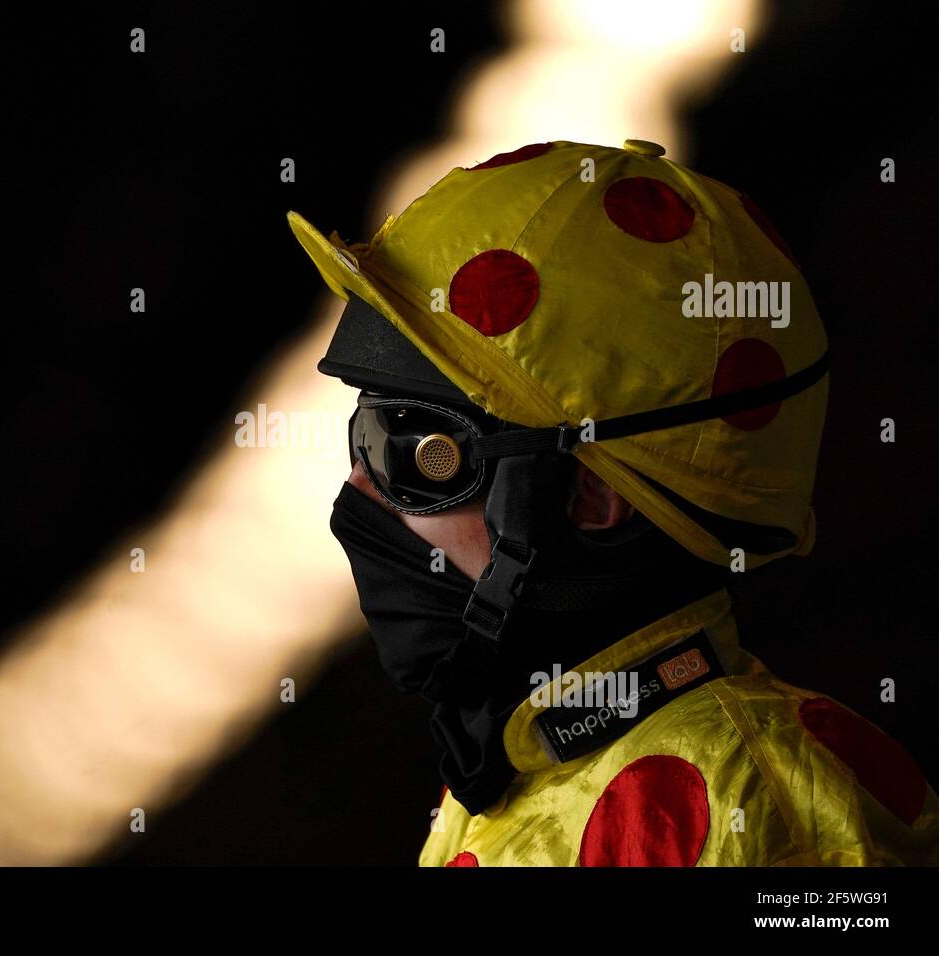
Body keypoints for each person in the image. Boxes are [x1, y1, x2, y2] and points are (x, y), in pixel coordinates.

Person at [286, 138, 939, 866]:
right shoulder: (504, 777)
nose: (358, 490)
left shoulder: (754, 804)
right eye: (364, 436)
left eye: (418, 452)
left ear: (590, 497)